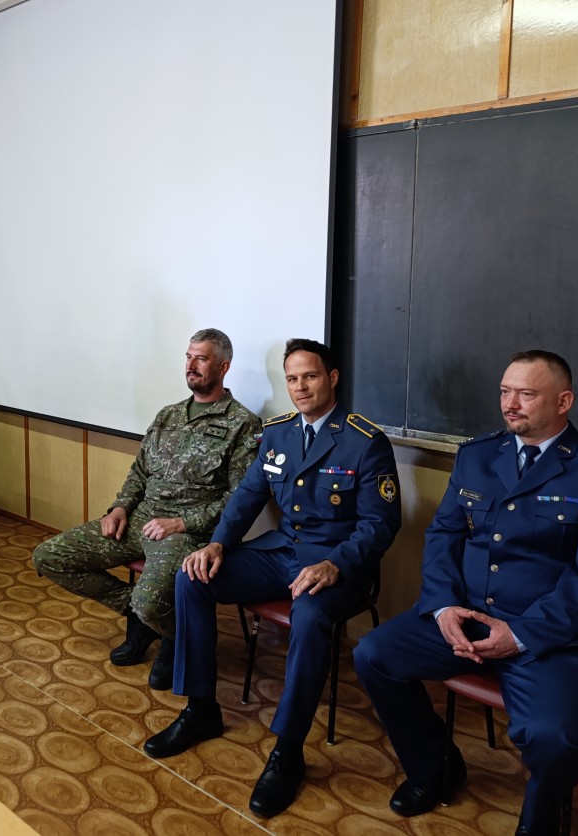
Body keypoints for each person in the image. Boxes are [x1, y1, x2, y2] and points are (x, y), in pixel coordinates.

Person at [353, 350, 578, 836]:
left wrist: (520, 635)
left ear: (564, 401)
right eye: (505, 391)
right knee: (373, 655)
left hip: (547, 637)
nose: (510, 404)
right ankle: (435, 768)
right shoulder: (478, 455)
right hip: (464, 619)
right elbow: (444, 535)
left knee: (552, 741)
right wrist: (443, 607)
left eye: (526, 394)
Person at [144, 338, 402, 818]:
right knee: (192, 577)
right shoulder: (279, 432)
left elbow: (380, 524)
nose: (300, 387)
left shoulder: (365, 441)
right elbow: (247, 496)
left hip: (335, 566)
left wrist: (336, 564)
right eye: (292, 379)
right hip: (282, 552)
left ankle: (288, 749)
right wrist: (217, 544)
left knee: (309, 617)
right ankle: (200, 709)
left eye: (310, 376)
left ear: (332, 379)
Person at [32, 329, 261, 690]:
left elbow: (239, 498)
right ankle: (142, 618)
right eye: (188, 357)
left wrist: (181, 522)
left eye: (201, 358)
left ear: (223, 367)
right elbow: (139, 472)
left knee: (152, 601)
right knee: (50, 556)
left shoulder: (242, 424)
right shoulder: (168, 414)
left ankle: (171, 635)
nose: (191, 365)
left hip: (186, 532)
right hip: (140, 519)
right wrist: (120, 508)